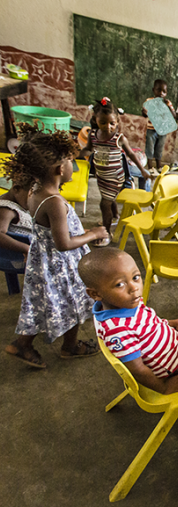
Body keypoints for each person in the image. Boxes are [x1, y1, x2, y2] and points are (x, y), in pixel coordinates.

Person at [2, 125, 108, 369]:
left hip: (44, 263)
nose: (75, 166)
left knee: (44, 303)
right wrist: (92, 234)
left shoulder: (35, 191)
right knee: (72, 301)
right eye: (72, 162)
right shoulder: (54, 202)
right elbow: (63, 243)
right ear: (60, 169)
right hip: (60, 265)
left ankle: (25, 343)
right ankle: (67, 347)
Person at [80, 248, 178, 402]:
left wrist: (172, 323)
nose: (134, 288)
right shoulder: (118, 331)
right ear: (95, 294)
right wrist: (163, 388)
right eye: (119, 284)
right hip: (176, 362)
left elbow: (147, 322)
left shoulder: (125, 302)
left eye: (136, 277)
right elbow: (138, 370)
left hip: (166, 344)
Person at [83, 100, 151, 246]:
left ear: (117, 122)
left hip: (115, 178)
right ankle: (114, 216)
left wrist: (142, 170)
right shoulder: (93, 135)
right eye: (103, 123)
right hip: (101, 177)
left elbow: (131, 155)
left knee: (104, 204)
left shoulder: (119, 139)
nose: (108, 127)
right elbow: (88, 149)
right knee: (108, 200)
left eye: (112, 123)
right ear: (96, 120)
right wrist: (78, 153)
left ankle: (106, 233)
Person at [141, 79, 176, 172]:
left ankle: (159, 166)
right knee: (150, 148)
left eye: (164, 91)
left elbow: (174, 116)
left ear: (166, 93)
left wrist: (169, 107)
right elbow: (144, 114)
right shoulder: (149, 101)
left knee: (159, 148)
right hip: (151, 130)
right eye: (158, 90)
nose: (161, 93)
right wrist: (144, 112)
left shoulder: (167, 103)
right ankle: (150, 167)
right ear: (153, 90)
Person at [0, 181, 33, 259]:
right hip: (18, 259)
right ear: (16, 188)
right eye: (32, 194)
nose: (35, 200)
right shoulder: (6, 209)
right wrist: (26, 249)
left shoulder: (19, 205)